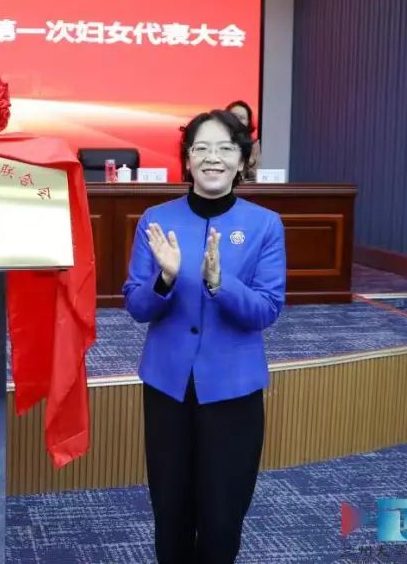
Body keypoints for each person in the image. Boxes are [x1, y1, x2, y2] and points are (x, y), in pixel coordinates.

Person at [122, 109, 286, 564]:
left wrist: (220, 283)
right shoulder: (156, 220)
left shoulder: (265, 224)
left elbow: (266, 310)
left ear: (242, 161)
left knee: (222, 514)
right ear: (188, 159)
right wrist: (165, 279)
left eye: (225, 149)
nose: (213, 158)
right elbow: (136, 306)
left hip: (233, 389)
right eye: (202, 148)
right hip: (167, 387)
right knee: (171, 509)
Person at [225, 100, 261, 181]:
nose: (237, 121)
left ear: (248, 122)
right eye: (234, 117)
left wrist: (249, 163)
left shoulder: (254, 145)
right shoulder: (218, 140)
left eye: (242, 118)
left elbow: (256, 177)